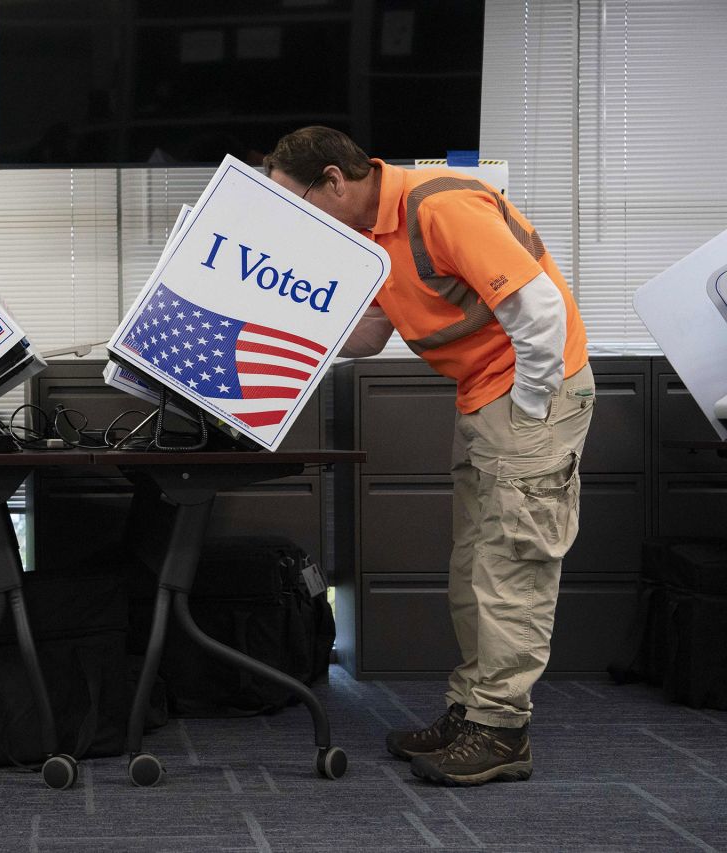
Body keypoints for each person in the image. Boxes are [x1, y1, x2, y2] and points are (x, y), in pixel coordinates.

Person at [265, 126, 594, 787]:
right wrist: (276, 325)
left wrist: (528, 416)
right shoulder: (370, 236)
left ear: (334, 180)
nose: (294, 219)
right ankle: (472, 709)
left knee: (512, 566)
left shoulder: (438, 205)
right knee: (475, 566)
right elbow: (369, 332)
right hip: (484, 397)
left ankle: (501, 730)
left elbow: (540, 311)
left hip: (529, 394)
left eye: (296, 201)